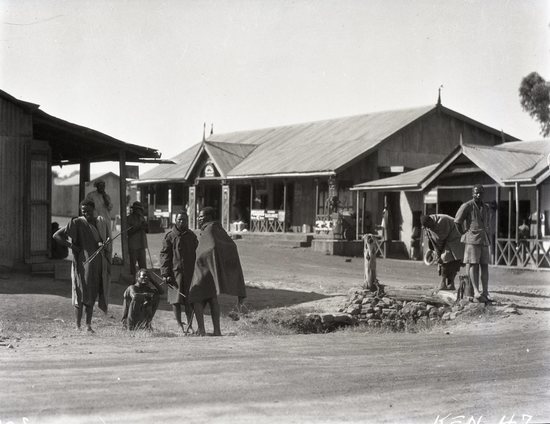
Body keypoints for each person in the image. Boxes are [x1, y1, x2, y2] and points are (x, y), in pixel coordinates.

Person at [53, 199, 112, 332]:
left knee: (92, 293)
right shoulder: (77, 222)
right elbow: (57, 236)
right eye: (83, 211)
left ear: (94, 209)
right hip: (82, 264)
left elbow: (106, 241)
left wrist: (103, 245)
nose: (86, 213)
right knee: (80, 292)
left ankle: (88, 325)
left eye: (89, 211)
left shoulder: (101, 222)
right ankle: (78, 326)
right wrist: (72, 246)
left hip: (98, 265)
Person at [189, 206, 247, 336]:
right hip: (211, 269)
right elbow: (230, 245)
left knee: (196, 298)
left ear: (208, 217)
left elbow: (209, 248)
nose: (198, 219)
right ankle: (217, 331)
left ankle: (202, 330)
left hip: (203, 269)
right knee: (211, 297)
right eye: (198, 216)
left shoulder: (209, 229)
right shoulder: (218, 228)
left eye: (201, 216)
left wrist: (201, 258)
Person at [160, 211, 198, 333]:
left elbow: (198, 253)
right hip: (174, 274)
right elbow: (164, 255)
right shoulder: (170, 236)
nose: (182, 222)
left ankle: (190, 325)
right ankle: (179, 325)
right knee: (175, 300)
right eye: (179, 220)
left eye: (184, 220)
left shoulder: (192, 236)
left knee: (189, 300)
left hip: (190, 273)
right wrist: (165, 273)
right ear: (175, 221)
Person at [454, 184, 492, 302]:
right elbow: (457, 222)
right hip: (472, 239)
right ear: (472, 193)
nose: (478, 195)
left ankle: (485, 291)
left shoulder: (486, 207)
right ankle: (475, 291)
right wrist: (464, 233)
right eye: (476, 193)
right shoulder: (467, 206)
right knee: (473, 264)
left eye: (481, 193)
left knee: (484, 265)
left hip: (484, 239)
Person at [421, 214, 464, 290]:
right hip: (446, 239)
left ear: (431, 220)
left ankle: (448, 283)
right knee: (444, 260)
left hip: (455, 238)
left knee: (448, 261)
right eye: (427, 227)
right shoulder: (429, 224)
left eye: (429, 226)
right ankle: (445, 283)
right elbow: (432, 239)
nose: (429, 228)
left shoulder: (442, 221)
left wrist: (438, 254)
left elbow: (440, 240)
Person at [127, 201, 149, 276]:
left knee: (143, 266)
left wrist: (146, 226)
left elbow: (147, 230)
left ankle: (144, 281)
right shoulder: (129, 218)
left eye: (140, 209)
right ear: (134, 209)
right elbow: (128, 232)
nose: (139, 211)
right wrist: (139, 227)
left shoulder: (142, 218)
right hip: (133, 245)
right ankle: (134, 281)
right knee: (133, 266)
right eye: (137, 209)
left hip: (142, 245)